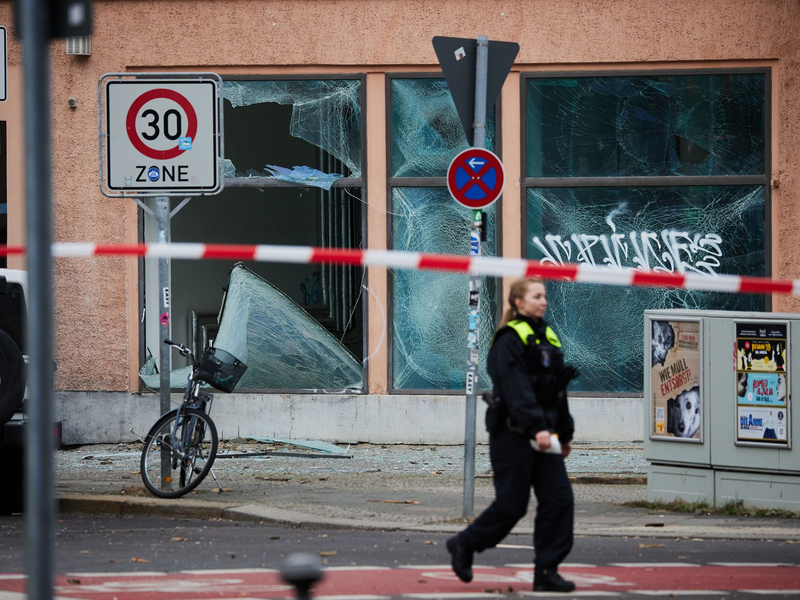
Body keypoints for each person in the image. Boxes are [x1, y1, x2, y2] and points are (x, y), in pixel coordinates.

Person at [446, 277, 578, 593]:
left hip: (545, 435)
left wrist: (565, 431)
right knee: (512, 505)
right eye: (536, 296)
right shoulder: (508, 339)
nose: (543, 301)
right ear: (518, 302)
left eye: (544, 296)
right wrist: (538, 427)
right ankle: (464, 544)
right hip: (514, 436)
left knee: (560, 501)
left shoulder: (547, 336)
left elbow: (557, 389)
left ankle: (546, 570)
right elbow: (517, 390)